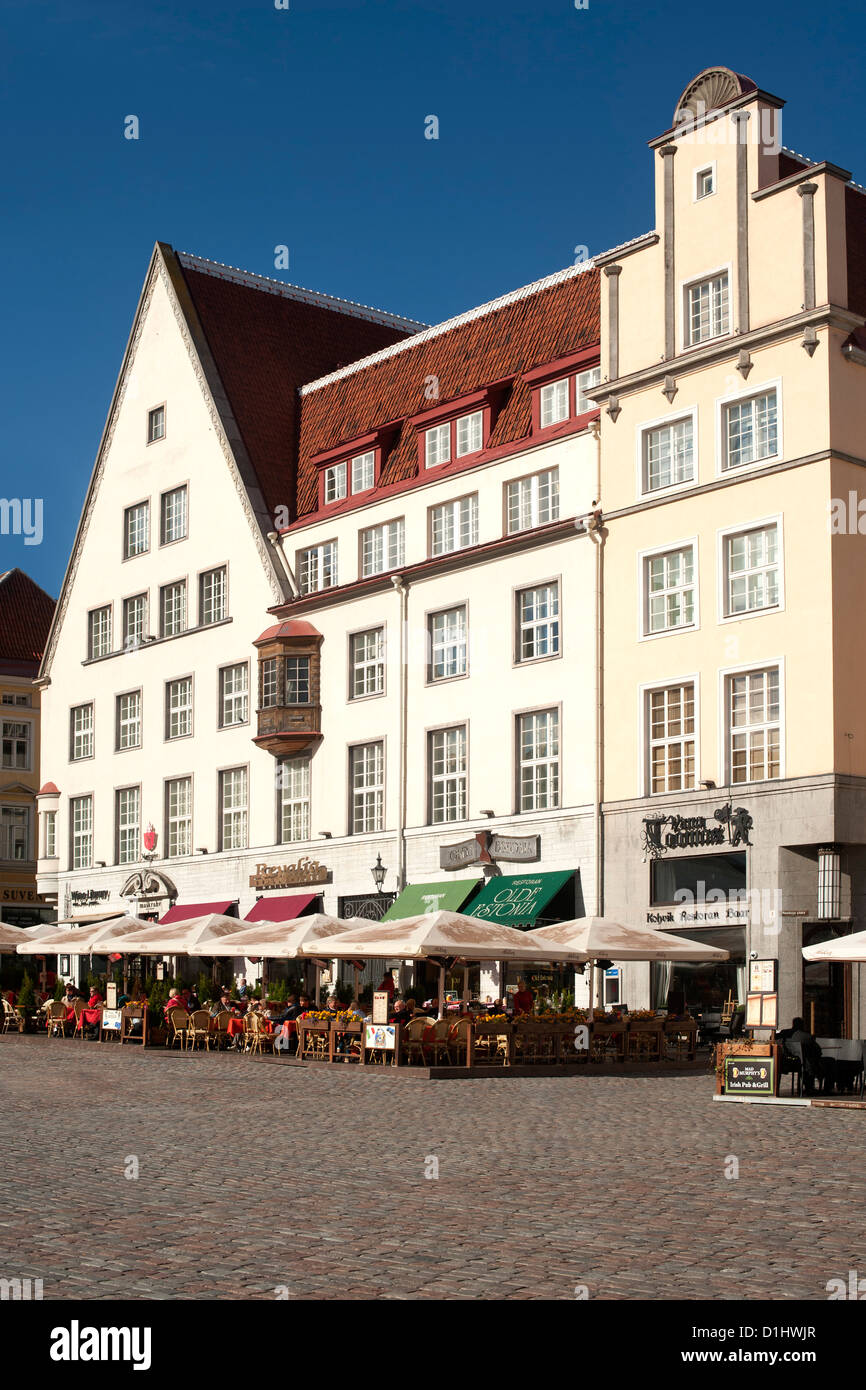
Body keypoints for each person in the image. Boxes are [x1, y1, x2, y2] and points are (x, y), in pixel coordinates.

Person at [777, 1017, 824, 1094]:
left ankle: (807, 1088)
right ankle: (811, 1088)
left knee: (808, 1060)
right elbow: (818, 1051)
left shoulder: (784, 1033)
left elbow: (773, 1038)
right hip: (802, 1064)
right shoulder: (806, 1036)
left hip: (786, 1062)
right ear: (802, 1025)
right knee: (812, 1061)